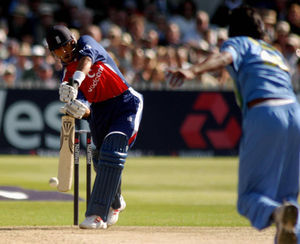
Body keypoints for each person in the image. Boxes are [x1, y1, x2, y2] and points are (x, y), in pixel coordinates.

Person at [166, 6, 300, 244]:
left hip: (265, 112)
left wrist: (192, 70)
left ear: (233, 30)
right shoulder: (274, 52)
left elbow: (224, 58)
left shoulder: (239, 42)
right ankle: (288, 227)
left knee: (248, 198)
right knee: (289, 197)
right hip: (295, 112)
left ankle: (275, 214)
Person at [45, 25, 143, 229]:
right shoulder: (66, 77)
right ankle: (116, 202)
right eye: (56, 52)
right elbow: (84, 109)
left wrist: (75, 82)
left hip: (125, 103)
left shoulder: (86, 43)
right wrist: (79, 110)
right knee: (99, 159)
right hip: (99, 113)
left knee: (113, 149)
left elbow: (86, 62)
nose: (61, 55)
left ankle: (97, 215)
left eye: (63, 49)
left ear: (72, 42)